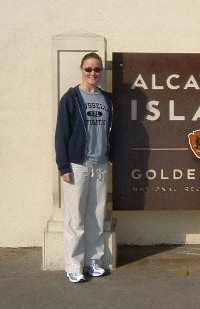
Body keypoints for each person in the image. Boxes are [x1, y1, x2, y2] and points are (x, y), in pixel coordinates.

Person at [55, 52, 113, 283]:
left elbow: (112, 131)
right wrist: (63, 166)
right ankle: (74, 265)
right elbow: (61, 134)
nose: (93, 73)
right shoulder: (71, 98)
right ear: (82, 70)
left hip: (100, 164)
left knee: (96, 216)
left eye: (97, 69)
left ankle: (93, 262)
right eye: (88, 69)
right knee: (75, 218)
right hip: (78, 165)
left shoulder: (107, 99)